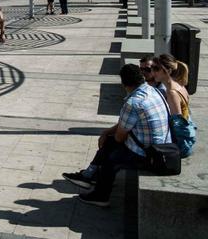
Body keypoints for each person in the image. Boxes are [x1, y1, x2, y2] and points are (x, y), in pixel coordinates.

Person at [62, 63, 171, 206]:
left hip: (149, 154)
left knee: (111, 159)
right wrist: (107, 132)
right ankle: (88, 176)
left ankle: (101, 196)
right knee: (110, 142)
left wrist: (107, 136)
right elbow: (124, 127)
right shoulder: (153, 91)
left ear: (123, 83)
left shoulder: (133, 102)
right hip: (163, 145)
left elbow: (120, 137)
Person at [152, 54, 196, 157]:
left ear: (168, 71)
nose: (153, 72)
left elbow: (178, 125)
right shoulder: (179, 84)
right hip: (186, 140)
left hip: (182, 146)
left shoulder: (172, 93)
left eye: (156, 69)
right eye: (152, 68)